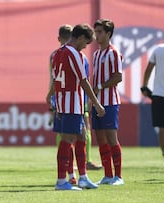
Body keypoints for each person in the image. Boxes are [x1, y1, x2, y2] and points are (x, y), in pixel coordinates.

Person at [47, 24, 105, 191]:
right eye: (86, 43)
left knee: (81, 137)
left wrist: (56, 105)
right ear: (80, 38)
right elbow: (84, 81)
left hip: (64, 102)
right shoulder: (75, 54)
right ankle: (61, 181)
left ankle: (83, 177)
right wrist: (97, 103)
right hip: (72, 103)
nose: (86, 46)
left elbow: (56, 80)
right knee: (67, 140)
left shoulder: (58, 53)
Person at [92, 19, 124, 185]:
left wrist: (99, 86)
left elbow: (118, 77)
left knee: (112, 138)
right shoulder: (96, 54)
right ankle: (108, 175)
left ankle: (118, 177)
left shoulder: (113, 53)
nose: (96, 35)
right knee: (100, 139)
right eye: (95, 31)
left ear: (108, 34)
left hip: (110, 102)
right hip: (97, 102)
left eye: (99, 32)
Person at [141, 42, 164, 168]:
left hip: (158, 94)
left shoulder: (159, 49)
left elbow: (149, 69)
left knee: (162, 129)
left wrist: (145, 85)